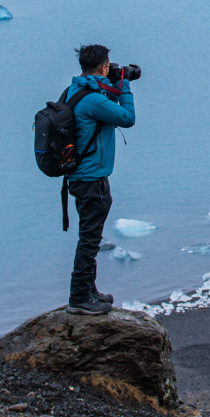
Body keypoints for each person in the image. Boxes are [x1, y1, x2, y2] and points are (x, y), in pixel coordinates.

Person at [64, 44, 136, 315]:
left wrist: (111, 84)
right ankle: (79, 297)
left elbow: (106, 107)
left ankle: (88, 290)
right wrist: (125, 84)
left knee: (90, 236)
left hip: (82, 176)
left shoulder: (76, 90)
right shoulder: (93, 100)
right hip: (90, 177)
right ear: (104, 67)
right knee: (90, 238)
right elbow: (127, 118)